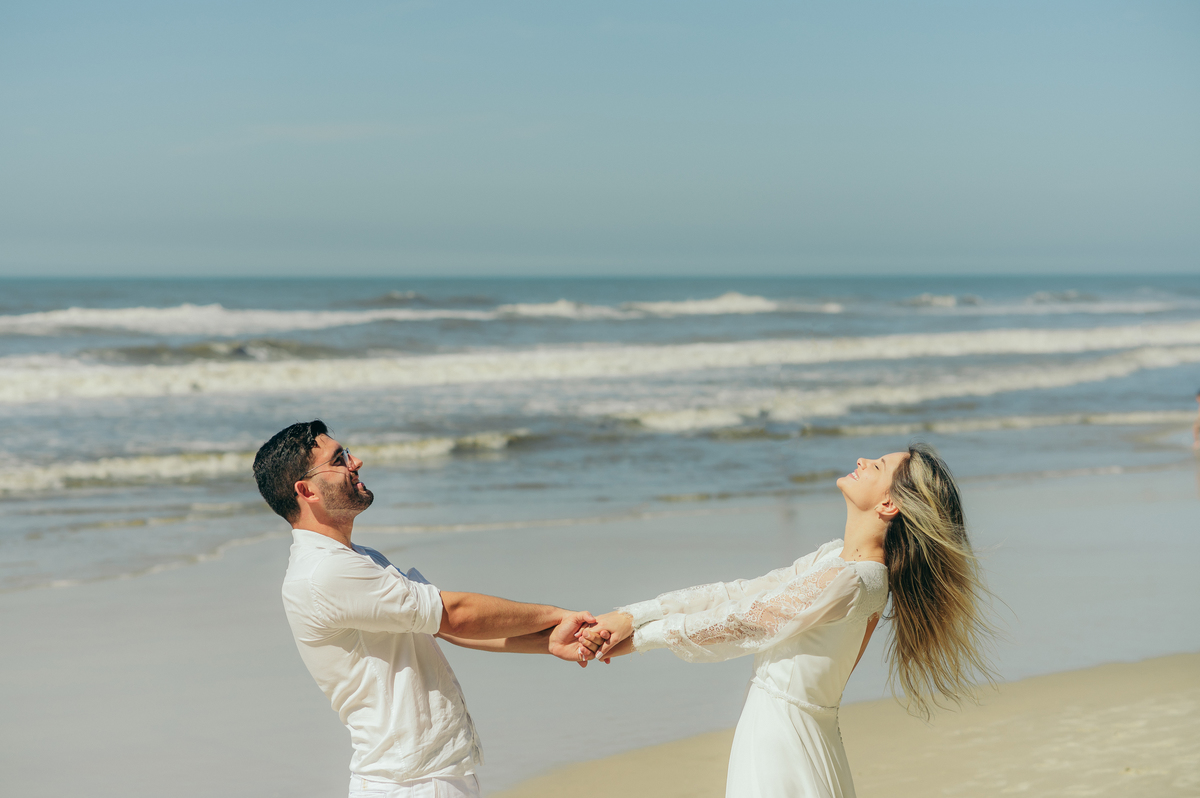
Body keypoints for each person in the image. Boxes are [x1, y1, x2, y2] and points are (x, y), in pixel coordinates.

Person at [578, 443, 997, 798]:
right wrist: (634, 615)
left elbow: (751, 623)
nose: (863, 461)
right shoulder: (838, 560)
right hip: (783, 729)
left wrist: (647, 636)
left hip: (784, 740)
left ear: (889, 504)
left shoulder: (853, 579)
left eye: (878, 466)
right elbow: (745, 592)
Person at [253, 420, 594, 798]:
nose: (356, 462)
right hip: (408, 784)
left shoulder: (360, 559)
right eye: (339, 459)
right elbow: (455, 614)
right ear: (306, 490)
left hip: (430, 777)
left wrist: (548, 641)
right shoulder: (324, 572)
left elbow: (444, 628)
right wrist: (560, 615)